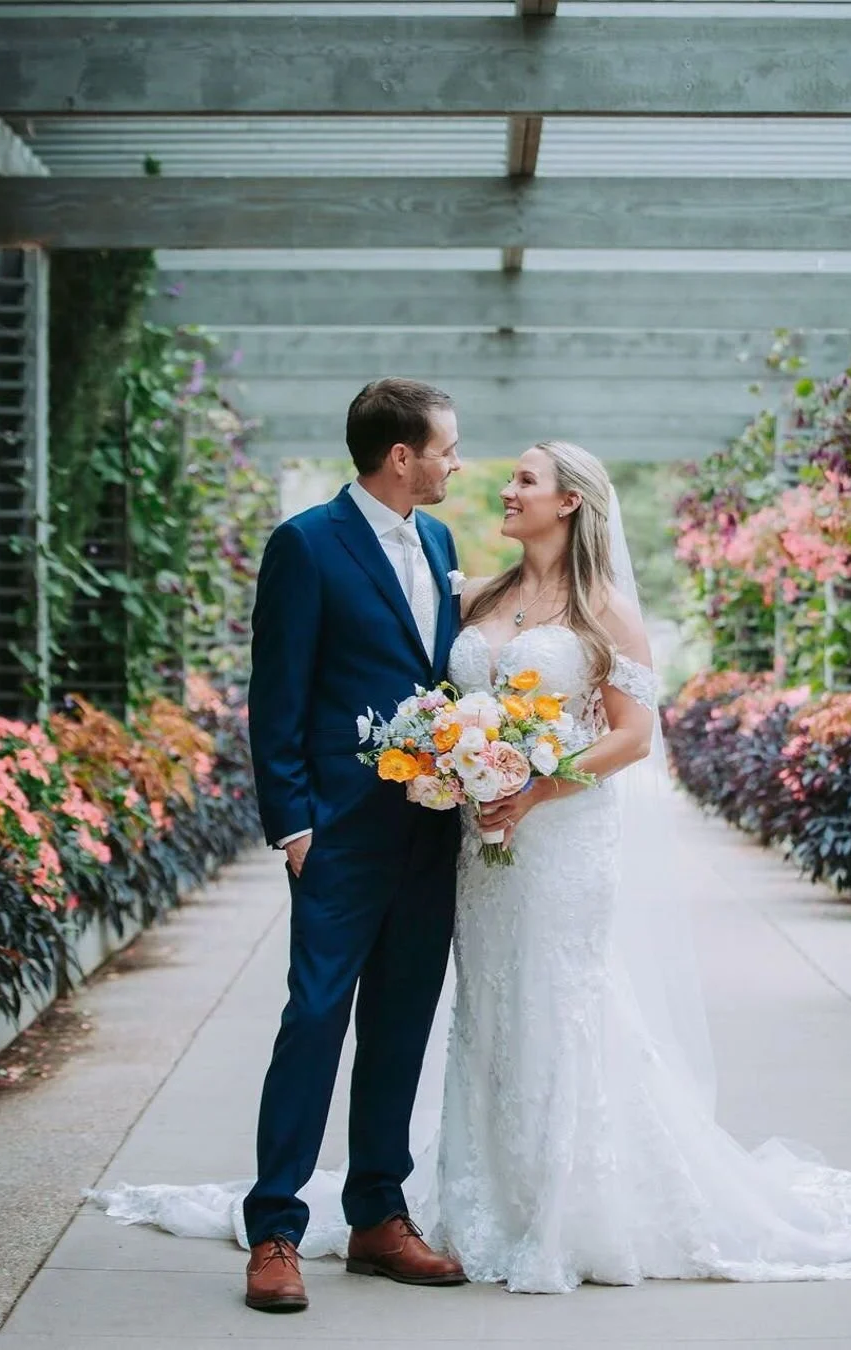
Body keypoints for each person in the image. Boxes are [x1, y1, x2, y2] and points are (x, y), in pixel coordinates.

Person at [91, 440, 851, 1296]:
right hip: (467, 848)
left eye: (525, 478)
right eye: (476, 461)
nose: (499, 482)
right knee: (480, 1013)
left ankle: (561, 1208)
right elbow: (413, 691)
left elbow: (634, 734)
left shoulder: (603, 607)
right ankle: (415, 1204)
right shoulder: (474, 592)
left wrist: (534, 787)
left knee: (552, 1004)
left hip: (559, 842)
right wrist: (429, 774)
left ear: (569, 502)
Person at [240, 377, 465, 1310]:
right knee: (315, 1019)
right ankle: (275, 1231)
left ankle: (377, 1213)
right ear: (401, 456)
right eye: (448, 447)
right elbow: (277, 694)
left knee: (402, 1025)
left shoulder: (442, 540)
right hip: (336, 837)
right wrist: (295, 828)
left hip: (430, 831)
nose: (457, 461)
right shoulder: (305, 544)